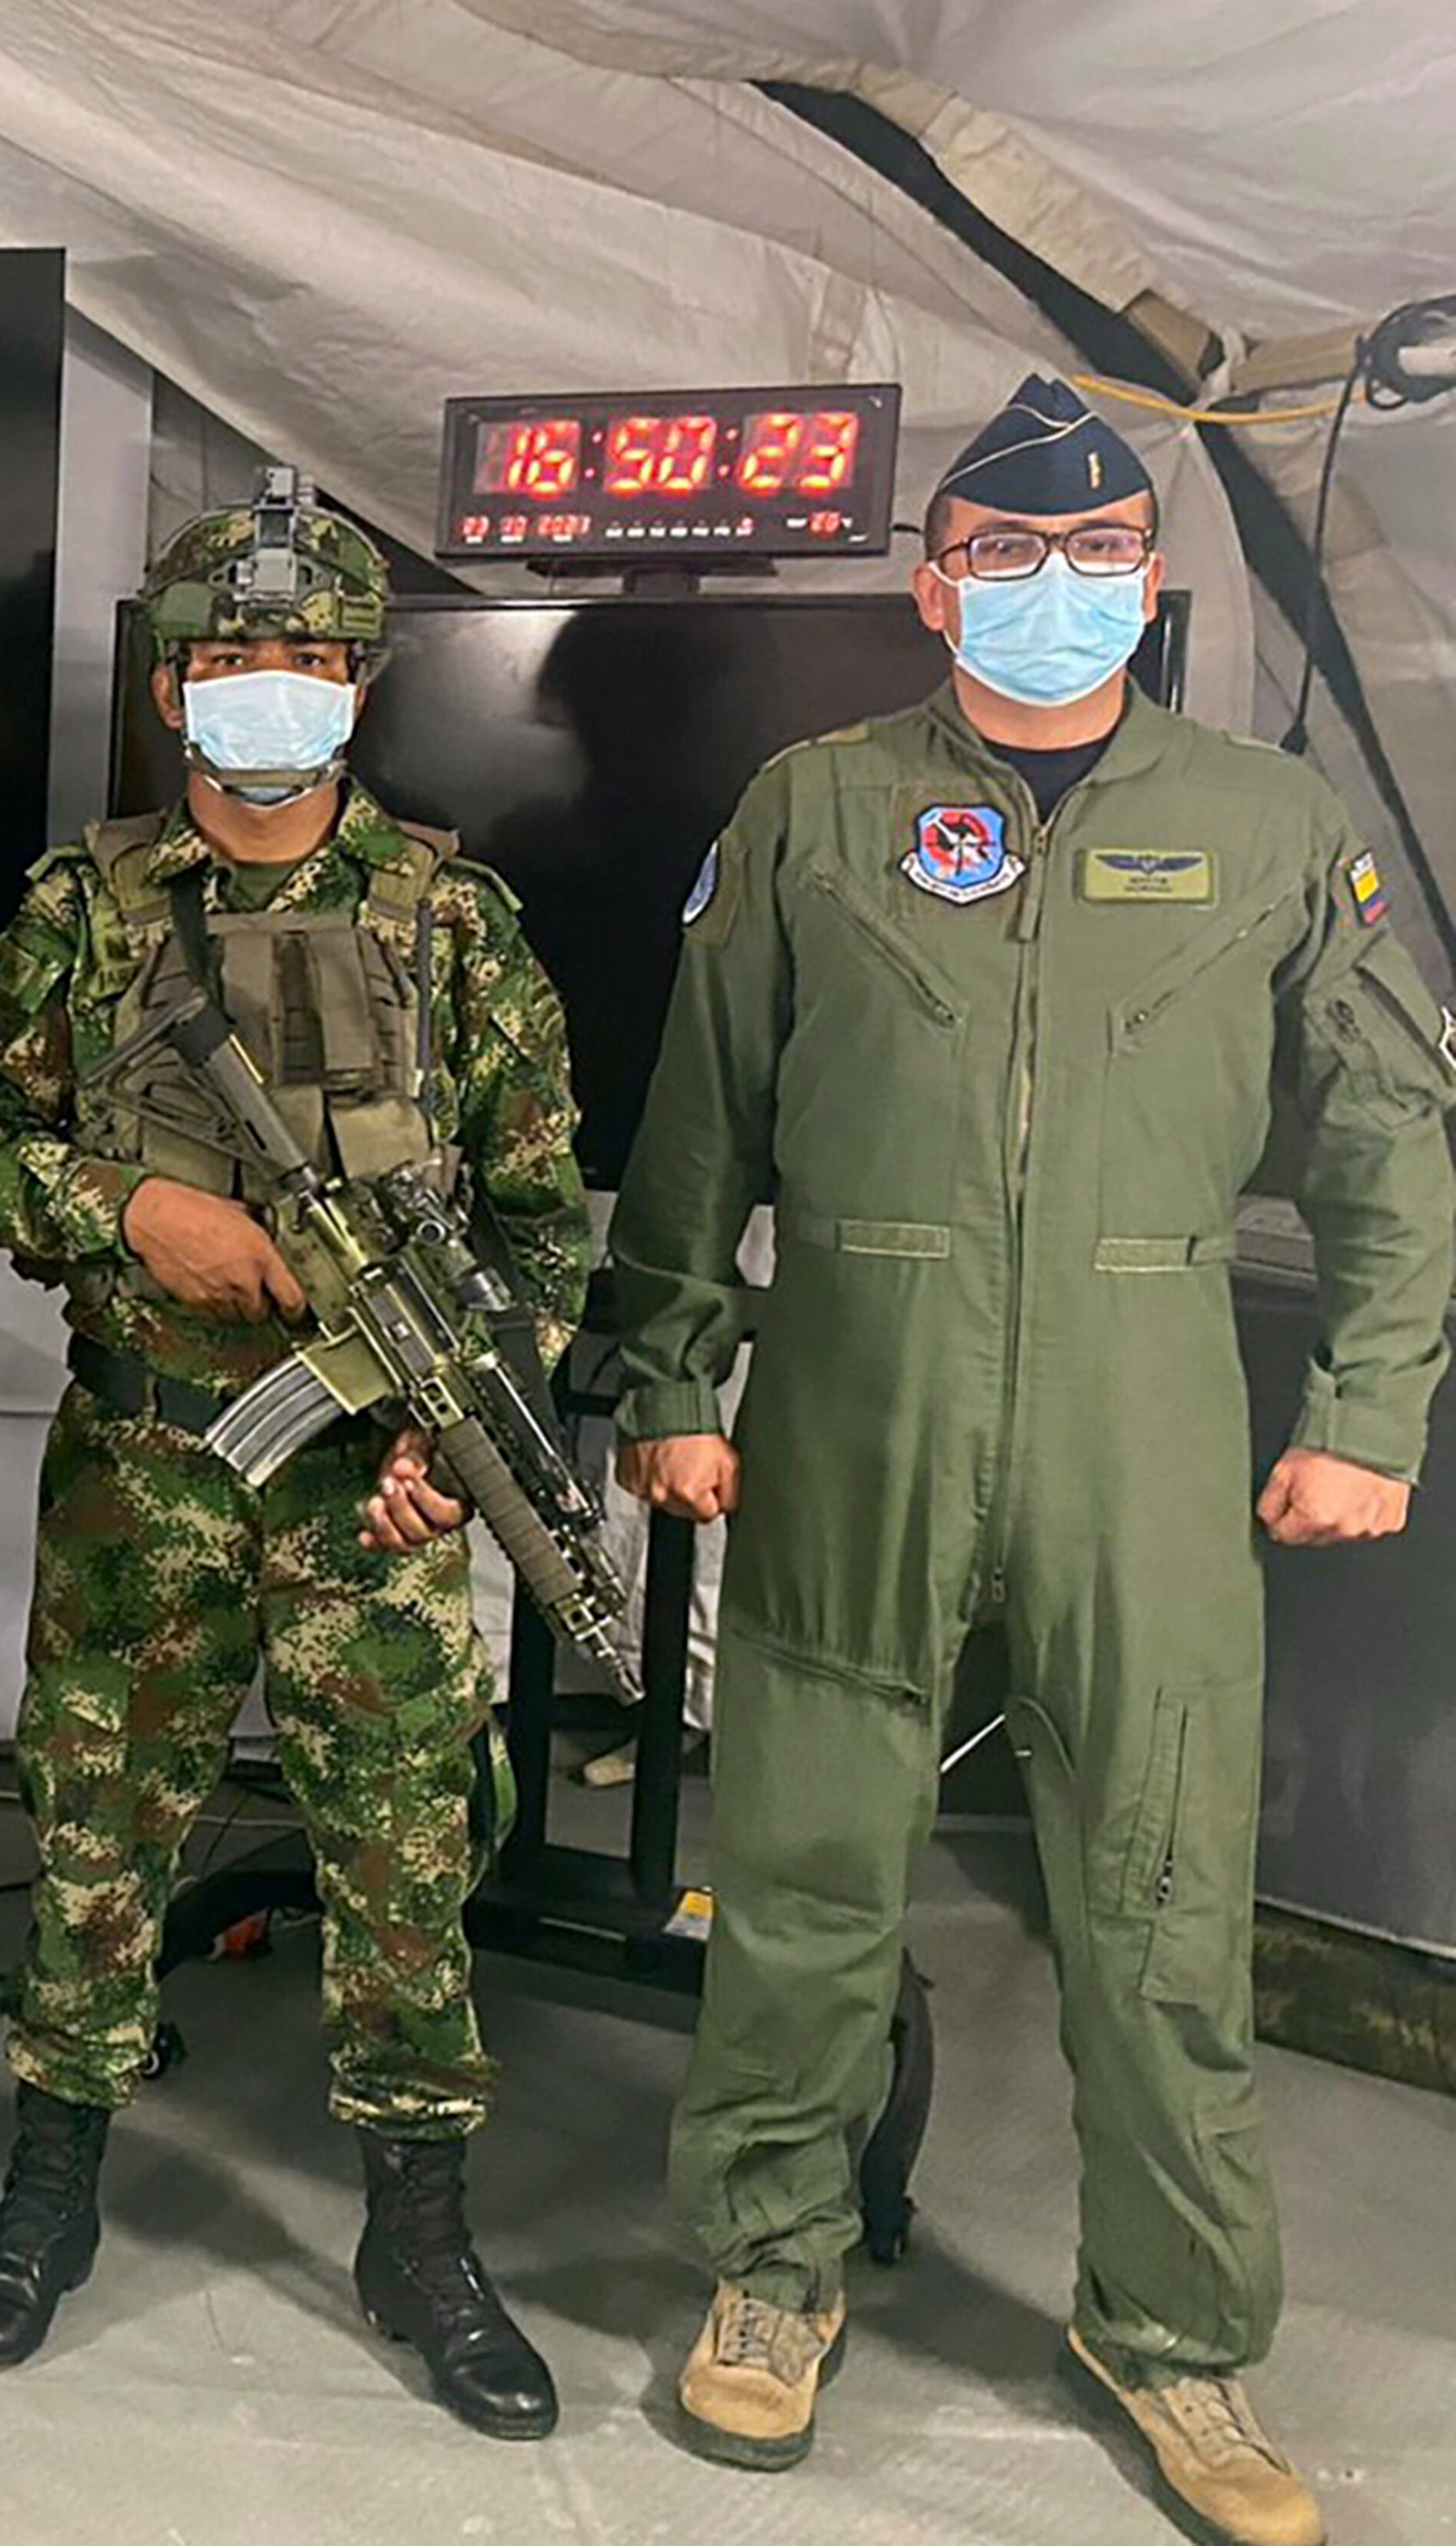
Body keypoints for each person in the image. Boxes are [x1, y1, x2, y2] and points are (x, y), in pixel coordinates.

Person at [613, 375, 1455, 2545]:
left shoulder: (1269, 826)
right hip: (855, 1395)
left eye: (1091, 558)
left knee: (1167, 1908)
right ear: (935, 581)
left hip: (1145, 1395)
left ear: (1150, 582)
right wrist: (672, 1376)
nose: (1051, 591)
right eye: (1004, 553)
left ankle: (1176, 2332)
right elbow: (695, 1120)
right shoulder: (814, 806)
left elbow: (1392, 1136)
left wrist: (1369, 1407)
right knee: (801, 1872)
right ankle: (772, 2273)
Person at [0, 477, 589, 2439]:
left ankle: (419, 2227)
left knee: (401, 1856)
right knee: (93, 1831)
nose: (264, 691)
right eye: (228, 657)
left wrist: (447, 1441)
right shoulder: (76, 912)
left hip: (372, 1489)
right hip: (146, 1462)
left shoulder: (456, 928)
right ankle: (48, 2183)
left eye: (301, 659)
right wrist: (125, 1211)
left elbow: (547, 1225)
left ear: (358, 682)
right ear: (169, 687)